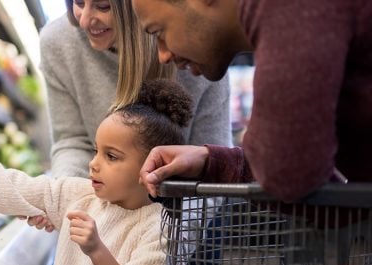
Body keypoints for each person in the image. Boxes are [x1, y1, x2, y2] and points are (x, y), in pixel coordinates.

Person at [2, 0, 232, 264]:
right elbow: (72, 140)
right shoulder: (59, 41)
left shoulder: (197, 50)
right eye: (78, 2)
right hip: (102, 223)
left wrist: (164, 247)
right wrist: (66, 200)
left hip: (185, 230)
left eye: (102, 6)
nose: (85, 19)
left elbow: (213, 170)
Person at [0, 79, 194, 265]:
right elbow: (16, 186)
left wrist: (96, 250)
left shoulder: (157, 228)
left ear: (150, 168)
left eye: (111, 156)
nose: (94, 163)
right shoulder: (79, 195)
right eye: (96, 151)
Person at [133, 0, 372, 201]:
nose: (162, 55)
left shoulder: (290, 8)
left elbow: (287, 176)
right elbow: (291, 164)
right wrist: (212, 162)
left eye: (159, 32)